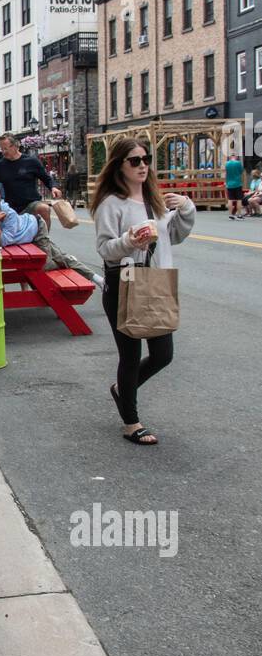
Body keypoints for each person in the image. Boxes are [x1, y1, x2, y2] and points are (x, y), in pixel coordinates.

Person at [92, 138, 195, 447]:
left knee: (164, 355)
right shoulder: (112, 203)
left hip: (156, 283)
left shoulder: (154, 200)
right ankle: (131, 422)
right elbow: (105, 248)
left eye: (145, 159)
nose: (142, 165)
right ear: (119, 165)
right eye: (134, 160)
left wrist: (186, 211)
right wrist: (129, 241)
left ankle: (122, 390)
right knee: (131, 354)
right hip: (124, 283)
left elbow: (172, 236)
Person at [0, 189, 103, 287]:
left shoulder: (9, 214)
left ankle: (80, 269)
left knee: (43, 265)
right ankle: (82, 270)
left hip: (36, 229)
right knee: (56, 258)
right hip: (22, 240)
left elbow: (3, 241)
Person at [0, 133, 62, 232]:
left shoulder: (31, 162)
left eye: (5, 148)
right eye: (1, 149)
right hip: (10, 208)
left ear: (15, 146)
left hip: (31, 204)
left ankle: (44, 238)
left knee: (44, 209)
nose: (3, 152)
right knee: (14, 237)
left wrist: (53, 187)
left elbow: (46, 178)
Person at [225, 149, 245, 218]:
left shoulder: (227, 164)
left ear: (230, 157)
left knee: (230, 199)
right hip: (237, 183)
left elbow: (226, 173)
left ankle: (230, 214)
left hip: (229, 184)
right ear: (236, 156)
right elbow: (241, 172)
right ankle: (239, 214)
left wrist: (226, 182)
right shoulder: (238, 163)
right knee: (239, 199)